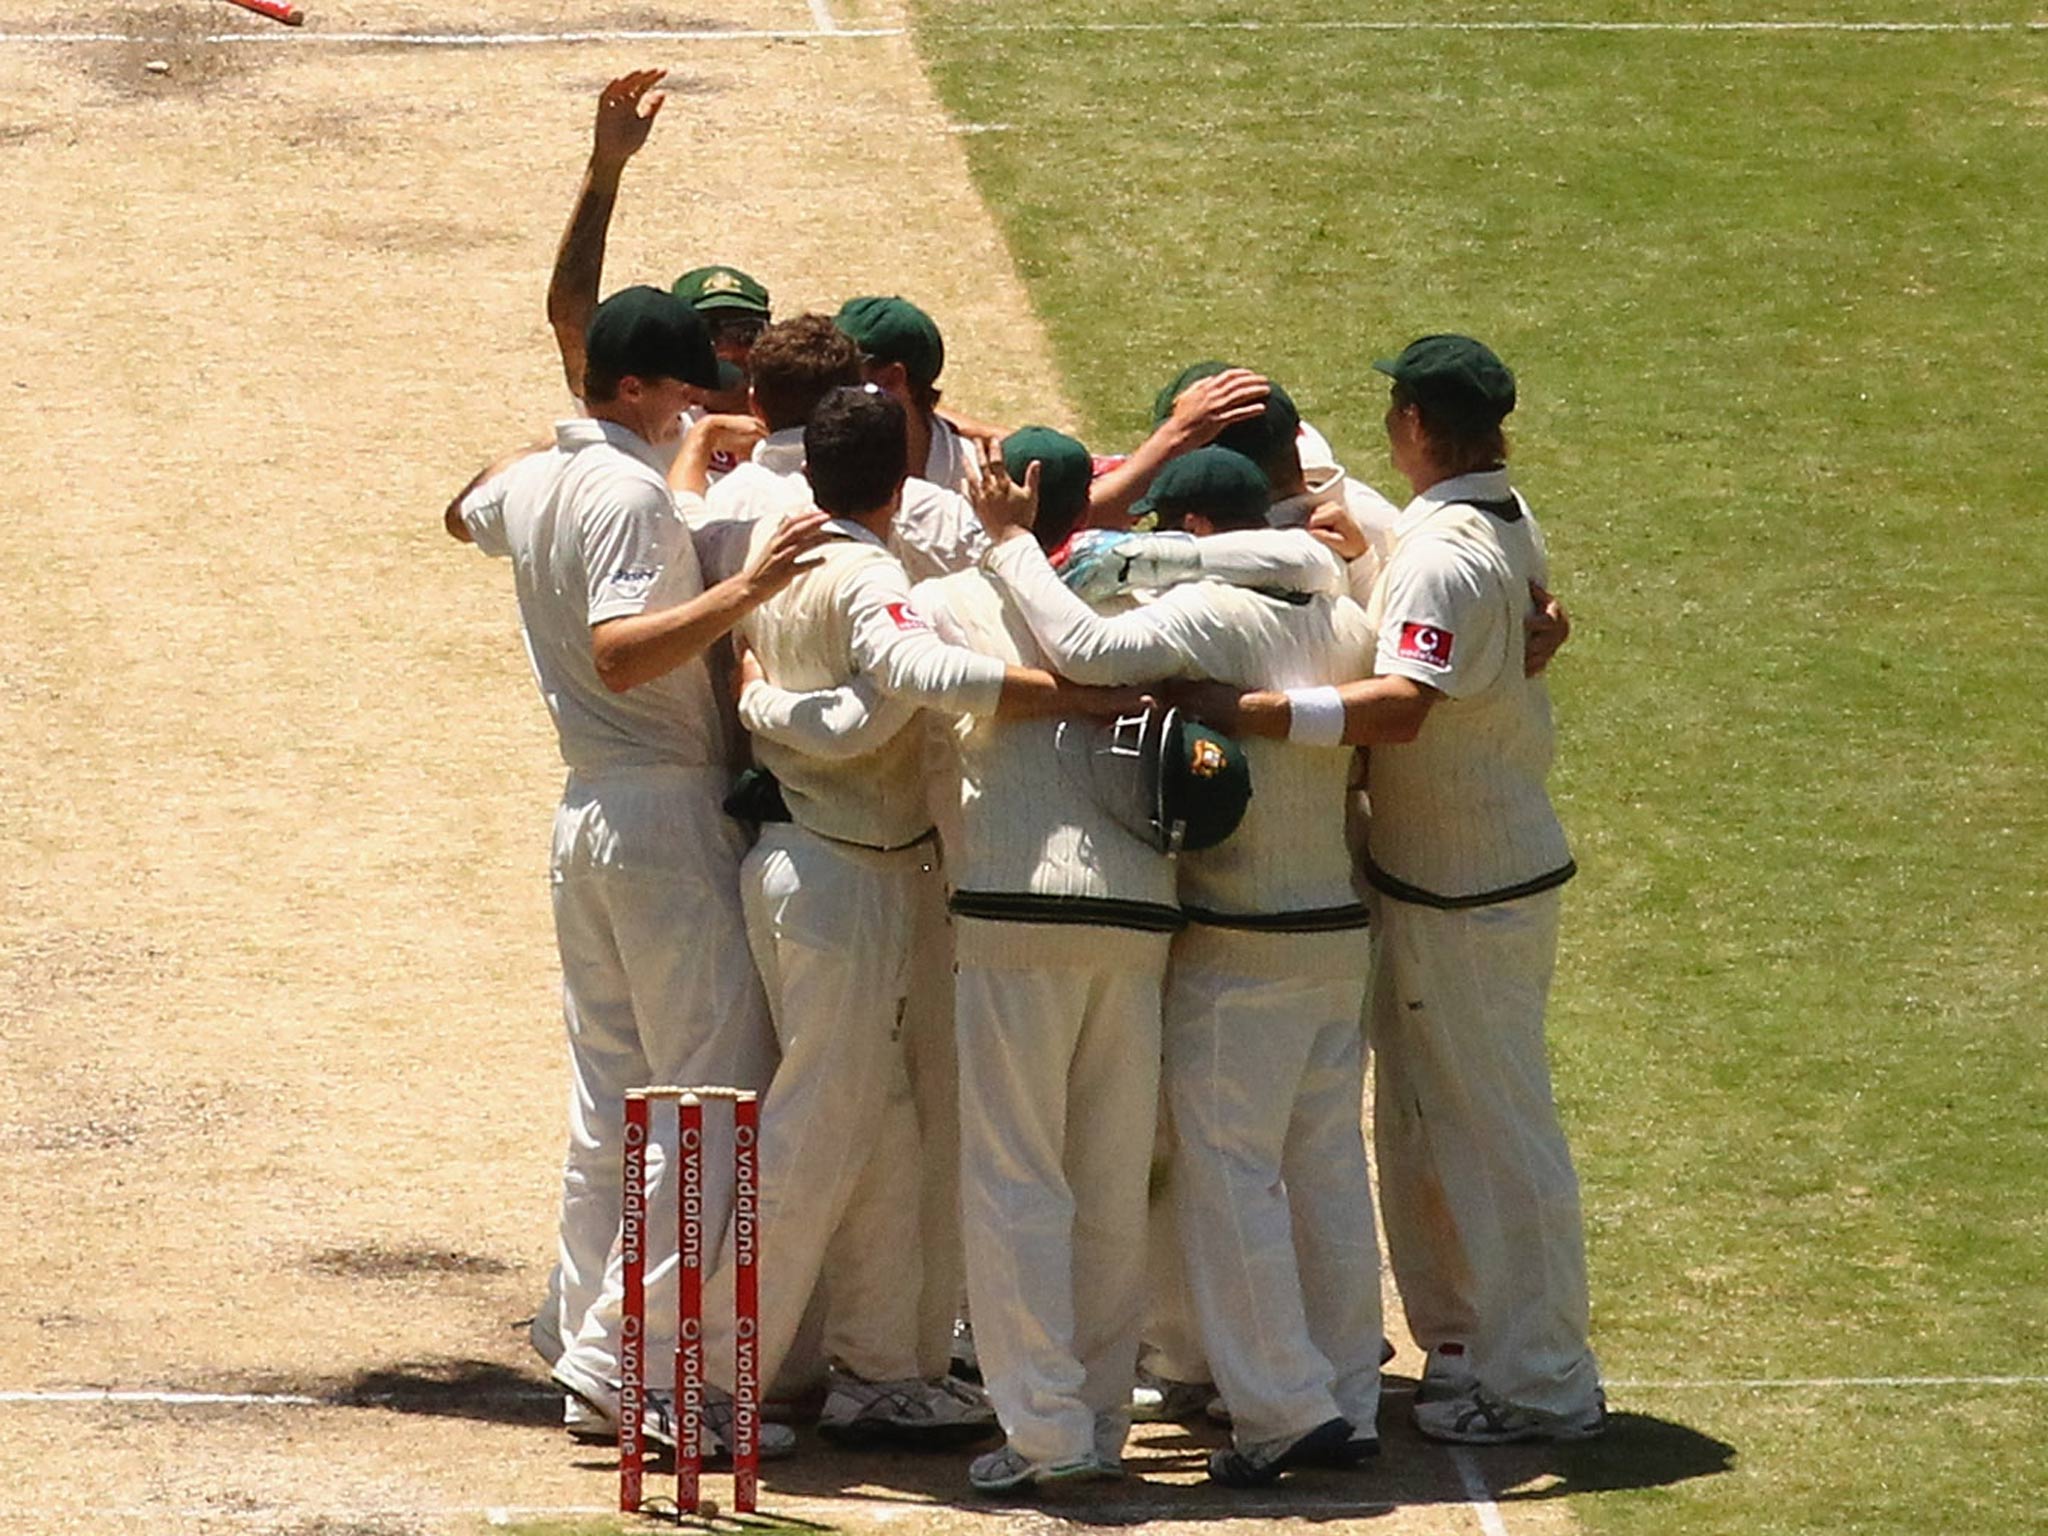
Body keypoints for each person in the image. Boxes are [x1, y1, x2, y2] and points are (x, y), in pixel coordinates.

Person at [687, 390, 1134, 1448]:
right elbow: (883, 696)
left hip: (841, 870)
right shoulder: (870, 575)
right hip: (843, 880)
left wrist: (756, 704)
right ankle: (699, 1372)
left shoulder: (779, 540)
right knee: (812, 1135)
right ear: (902, 476)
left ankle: (882, 1368)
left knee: (888, 1130)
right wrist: (1063, 696)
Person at [1182, 334, 1606, 1445]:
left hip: (1467, 892)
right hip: (1456, 879)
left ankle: (1547, 1380)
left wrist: (1257, 715)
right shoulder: (1482, 520)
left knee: (1496, 1132)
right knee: (1436, 1127)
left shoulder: (1441, 553)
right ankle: (1469, 1350)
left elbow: (1401, 706)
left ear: (1413, 424)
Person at [444, 286, 830, 1456]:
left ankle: (590, 1351)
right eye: (676, 392)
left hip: (590, 821)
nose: (692, 413)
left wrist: (603, 449)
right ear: (629, 389)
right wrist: (745, 592)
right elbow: (619, 655)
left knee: (618, 1095)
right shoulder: (617, 490)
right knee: (711, 1101)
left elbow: (461, 510)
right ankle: (630, 1361)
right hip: (659, 816)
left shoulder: (551, 479)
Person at [976, 445, 1386, 1486]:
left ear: (1197, 532)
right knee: (1326, 1168)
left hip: (1239, 940)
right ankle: (1347, 1395)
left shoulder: (1213, 612)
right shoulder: (1339, 615)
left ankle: (1283, 1411)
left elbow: (1075, 647)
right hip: (1334, 929)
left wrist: (1014, 546)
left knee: (1231, 1178)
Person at [833, 295, 984, 496]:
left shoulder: (973, 480)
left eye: (843, 368)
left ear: (892, 379)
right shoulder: (819, 460)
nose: (826, 375)